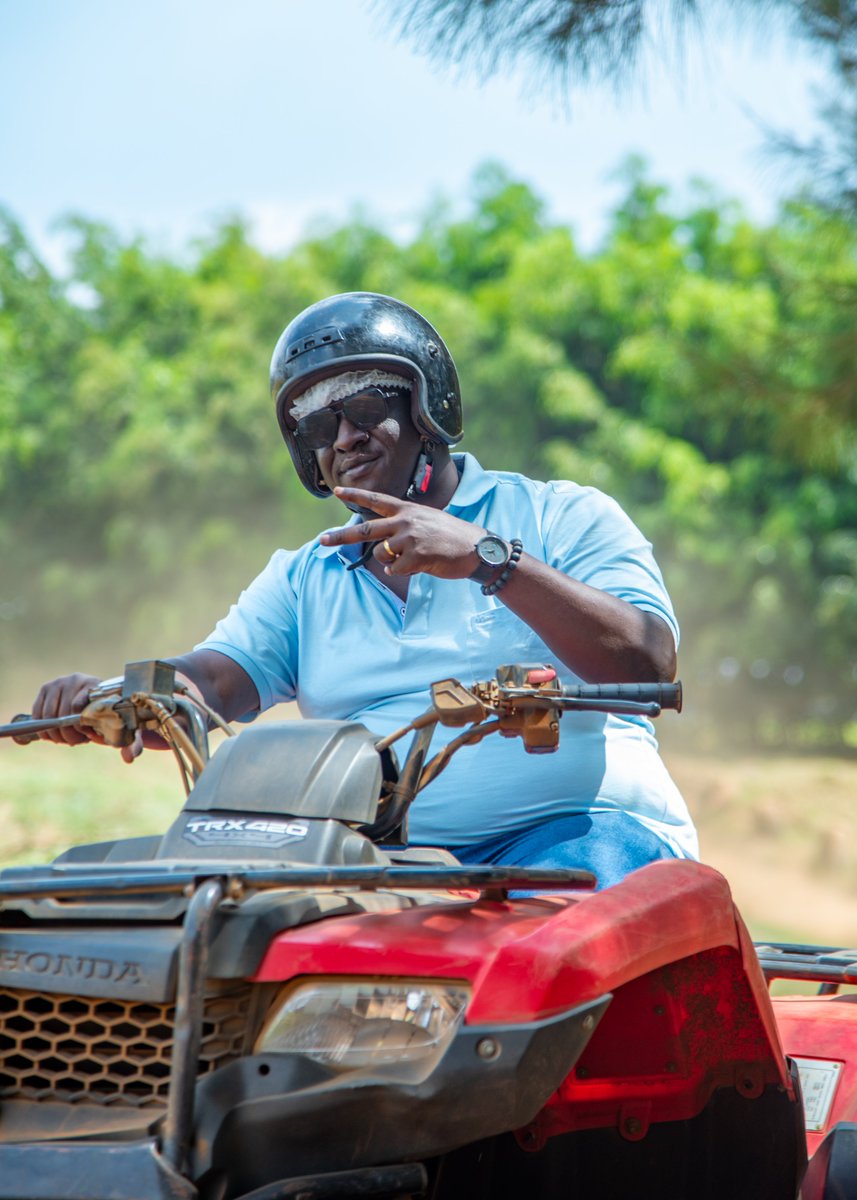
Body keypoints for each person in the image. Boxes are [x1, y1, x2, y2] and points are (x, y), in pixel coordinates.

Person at [31, 291, 697, 888]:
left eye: (364, 410)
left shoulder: (558, 516)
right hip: (381, 865)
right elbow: (215, 680)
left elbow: (645, 663)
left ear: (427, 410)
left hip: (581, 839)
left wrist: (486, 559)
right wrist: (128, 694)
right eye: (316, 427)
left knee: (545, 946)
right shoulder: (304, 576)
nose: (343, 438)